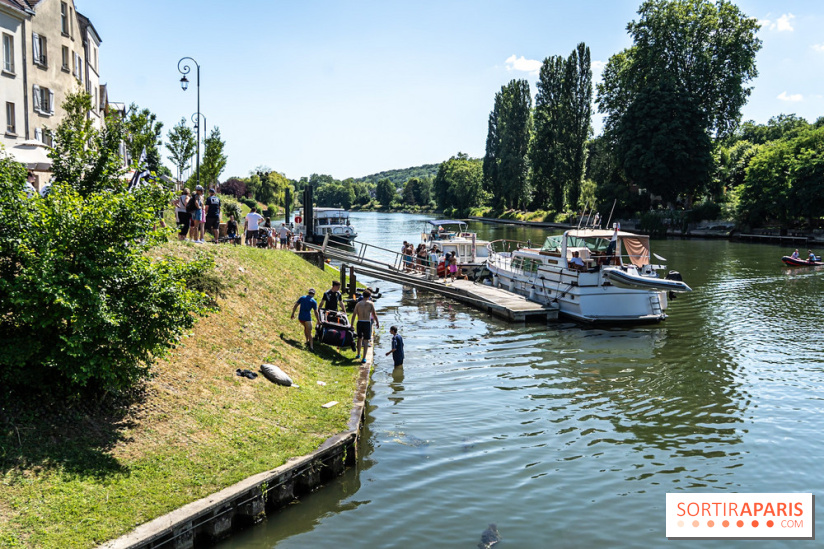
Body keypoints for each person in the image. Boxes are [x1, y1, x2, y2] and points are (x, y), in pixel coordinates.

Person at [351, 290, 379, 363]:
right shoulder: (371, 304)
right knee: (366, 340)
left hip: (360, 322)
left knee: (359, 338)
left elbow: (354, 314)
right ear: (369, 296)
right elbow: (374, 314)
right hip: (367, 322)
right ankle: (364, 358)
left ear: (363, 296)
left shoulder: (358, 304)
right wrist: (377, 322)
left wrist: (351, 324)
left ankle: (358, 354)